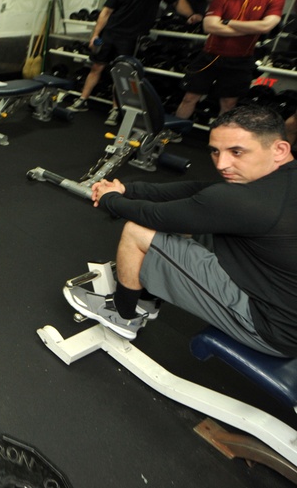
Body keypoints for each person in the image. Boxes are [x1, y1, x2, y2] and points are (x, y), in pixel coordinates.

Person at [63, 104, 297, 358]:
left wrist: (109, 198)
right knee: (189, 225)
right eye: (215, 152)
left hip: (273, 327)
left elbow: (153, 216)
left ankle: (122, 314)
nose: (222, 164)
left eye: (237, 152)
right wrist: (127, 189)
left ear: (279, 149)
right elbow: (196, 190)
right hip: (279, 293)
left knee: (138, 231)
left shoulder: (249, 200)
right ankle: (146, 300)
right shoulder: (281, 179)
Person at [70, 0, 201, 125]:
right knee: (96, 66)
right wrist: (95, 35)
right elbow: (106, 12)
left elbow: (177, 1)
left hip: (132, 37)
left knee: (121, 73)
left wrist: (190, 15)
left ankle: (115, 109)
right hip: (109, 33)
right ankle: (82, 99)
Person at [174, 0, 284, 121]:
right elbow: (209, 26)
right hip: (209, 56)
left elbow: (266, 27)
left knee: (228, 104)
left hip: (240, 60)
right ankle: (170, 135)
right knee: (189, 98)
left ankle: (218, 144)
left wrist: (227, 22)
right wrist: (249, 29)